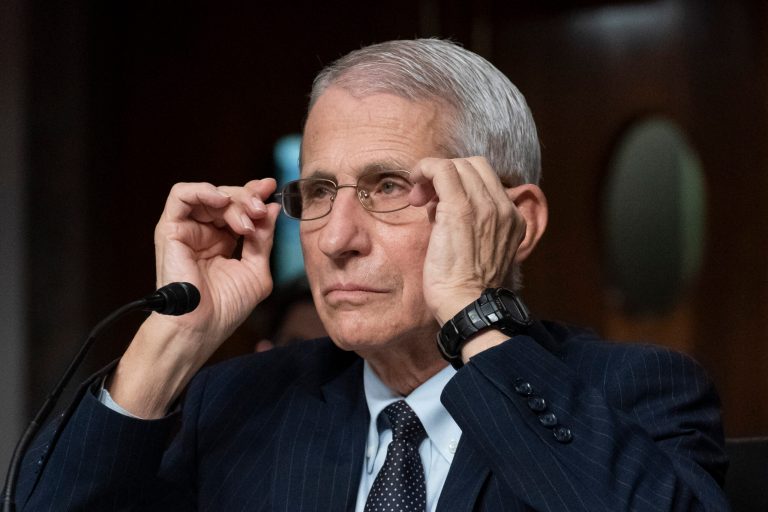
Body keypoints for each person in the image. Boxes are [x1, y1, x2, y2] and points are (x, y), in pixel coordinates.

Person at [17, 39, 729, 511]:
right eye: (319, 192)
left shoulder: (639, 392)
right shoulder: (241, 403)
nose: (335, 239)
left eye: (388, 186)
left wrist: (476, 316)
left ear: (517, 221)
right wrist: (171, 340)